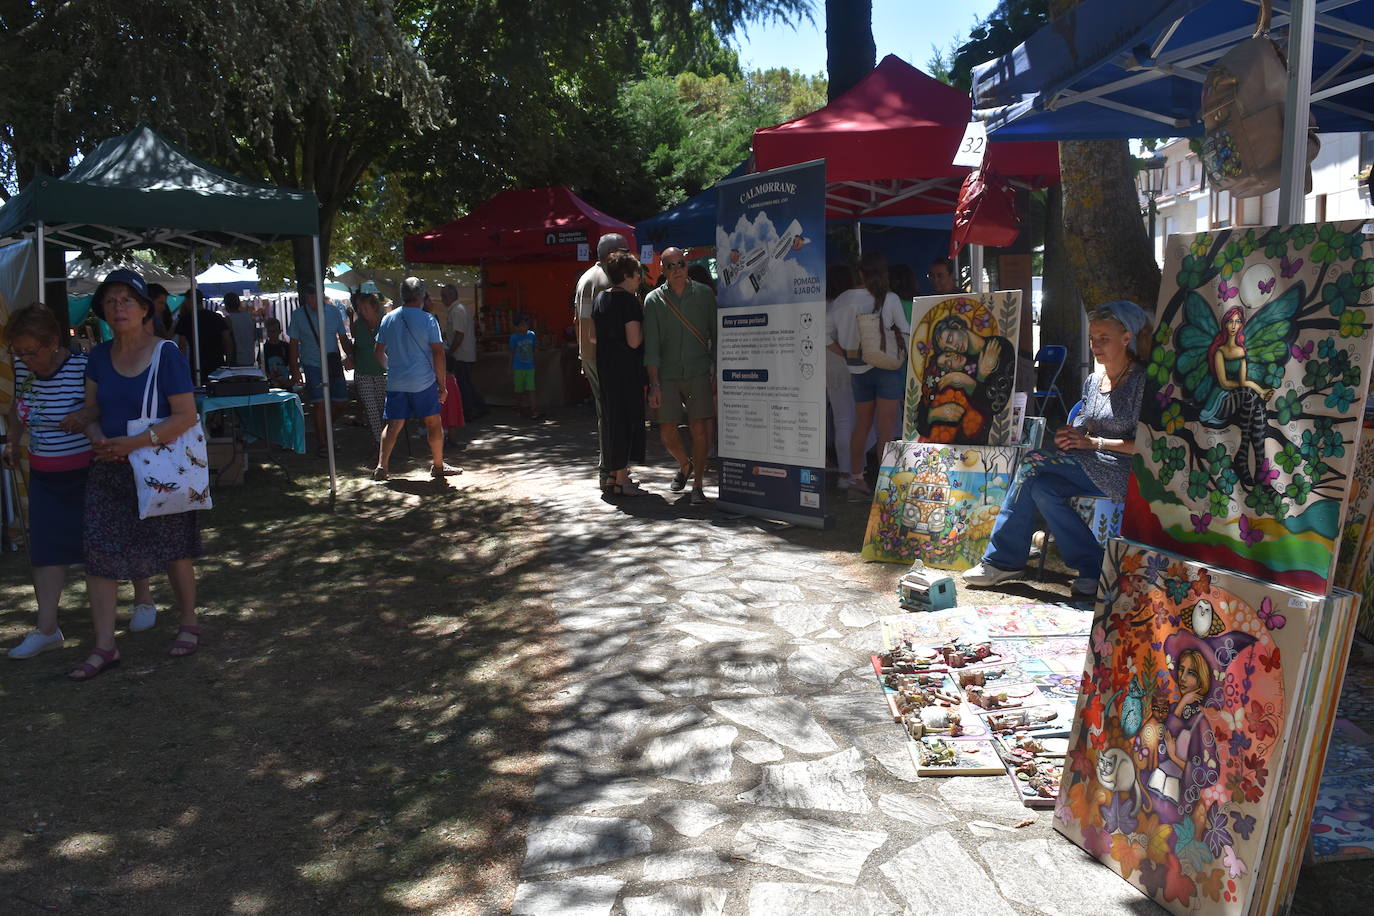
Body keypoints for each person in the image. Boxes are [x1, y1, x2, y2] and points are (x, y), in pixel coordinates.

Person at [3, 303, 160, 658]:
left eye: (33, 351)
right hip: (44, 475)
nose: (27, 358)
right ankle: (47, 628)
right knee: (46, 552)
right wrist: (12, 441)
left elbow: (109, 405)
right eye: (20, 352)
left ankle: (144, 599)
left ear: (54, 341)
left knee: (112, 540)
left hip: (89, 471)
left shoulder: (80, 366)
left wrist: (85, 415)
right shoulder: (23, 370)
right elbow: (16, 409)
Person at [964, 300, 1151, 597]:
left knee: (1032, 462)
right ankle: (1092, 567)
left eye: (1104, 338)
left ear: (1127, 338)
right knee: (1041, 488)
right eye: (1092, 338)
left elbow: (1148, 444)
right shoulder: (1093, 379)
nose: (1095, 345)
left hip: (1124, 469)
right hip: (1089, 462)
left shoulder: (1143, 382)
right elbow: (1084, 423)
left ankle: (1002, 560)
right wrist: (1072, 433)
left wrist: (1094, 442)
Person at [69, 269, 203, 680]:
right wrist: (92, 432)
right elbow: (95, 410)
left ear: (146, 309)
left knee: (175, 552)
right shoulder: (97, 356)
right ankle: (105, 646)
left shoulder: (167, 354)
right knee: (100, 557)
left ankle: (189, 622)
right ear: (103, 313)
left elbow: (186, 416)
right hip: (109, 470)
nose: (118, 307)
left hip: (157, 469)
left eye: (127, 300)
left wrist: (132, 443)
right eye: (111, 301)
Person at [828, 252, 910, 500]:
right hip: (886, 367)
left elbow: (823, 336)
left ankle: (856, 479)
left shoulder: (842, 299)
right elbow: (906, 331)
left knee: (861, 425)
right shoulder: (890, 298)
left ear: (860, 273)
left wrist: (846, 353)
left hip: (856, 370)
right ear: (884, 274)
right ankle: (886, 486)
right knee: (886, 428)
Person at [643, 247, 716, 504]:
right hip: (668, 374)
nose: (677, 270)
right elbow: (650, 346)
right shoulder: (653, 300)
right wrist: (654, 384)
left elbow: (716, 336)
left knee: (699, 427)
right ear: (662, 270)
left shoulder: (705, 294)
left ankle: (697, 484)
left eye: (681, 264)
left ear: (687, 266)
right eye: (670, 266)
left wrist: (716, 371)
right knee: (666, 433)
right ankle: (684, 464)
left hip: (698, 370)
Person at [371, 277, 461, 481]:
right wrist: (442, 384)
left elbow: (378, 352)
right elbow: (439, 354)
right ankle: (438, 465)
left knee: (393, 424)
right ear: (421, 295)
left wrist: (390, 367)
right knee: (433, 422)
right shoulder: (428, 320)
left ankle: (381, 467)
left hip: (396, 382)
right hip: (424, 382)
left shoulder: (388, 318)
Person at [575, 233, 630, 487]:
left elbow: (579, 321)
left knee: (605, 414)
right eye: (625, 251)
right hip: (607, 358)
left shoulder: (585, 278)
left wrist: (583, 354)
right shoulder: (609, 279)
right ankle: (610, 472)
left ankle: (609, 471)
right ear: (613, 253)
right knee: (612, 415)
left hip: (589, 355)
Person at [913, 312, 1015, 444]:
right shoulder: (954, 362)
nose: (954, 348)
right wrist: (935, 413)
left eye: (950, 338)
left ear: (957, 326)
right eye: (947, 349)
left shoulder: (999, 347)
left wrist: (969, 381)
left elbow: (996, 405)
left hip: (981, 444)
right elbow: (923, 407)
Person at [592, 251, 646, 496]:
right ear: (627, 275)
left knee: (612, 419)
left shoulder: (600, 299)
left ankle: (613, 477)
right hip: (626, 368)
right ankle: (622, 479)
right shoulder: (629, 301)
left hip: (606, 366)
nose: (640, 278)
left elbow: (592, 336)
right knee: (625, 420)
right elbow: (634, 341)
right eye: (637, 274)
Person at [288, 283, 353, 457]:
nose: (310, 299)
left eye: (313, 295)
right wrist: (294, 370)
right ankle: (324, 442)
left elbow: (342, 336)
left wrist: (350, 356)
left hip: (332, 362)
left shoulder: (333, 312)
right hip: (312, 364)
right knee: (319, 404)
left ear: (321, 295)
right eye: (308, 296)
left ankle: (323, 429)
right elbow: (293, 344)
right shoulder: (298, 315)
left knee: (341, 402)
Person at [444, 283, 486, 419]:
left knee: (463, 384)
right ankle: (479, 407)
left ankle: (470, 411)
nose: (443, 299)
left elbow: (459, 334)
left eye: (444, 296)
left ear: (451, 295)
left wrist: (450, 352)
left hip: (461, 354)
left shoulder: (457, 310)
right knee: (466, 383)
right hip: (464, 353)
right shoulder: (460, 309)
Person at [174, 290, 232, 384]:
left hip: (196, 365)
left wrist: (182, 368)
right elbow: (227, 340)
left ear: (189, 301)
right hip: (217, 364)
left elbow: (182, 346)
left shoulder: (186, 319)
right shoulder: (216, 317)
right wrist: (229, 362)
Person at [351, 293, 387, 443]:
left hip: (381, 372)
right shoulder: (358, 325)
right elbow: (356, 346)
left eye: (365, 308)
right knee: (372, 411)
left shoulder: (385, 323)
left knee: (381, 410)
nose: (362, 311)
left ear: (374, 307)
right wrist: (350, 358)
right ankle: (380, 447)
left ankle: (383, 443)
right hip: (363, 373)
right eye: (360, 308)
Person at [510, 314, 539, 419]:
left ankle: (533, 408)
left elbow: (535, 348)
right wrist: (510, 366)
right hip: (518, 367)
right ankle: (519, 407)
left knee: (531, 388)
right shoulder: (514, 338)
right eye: (521, 325)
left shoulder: (532, 335)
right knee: (518, 389)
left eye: (525, 325)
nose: (523, 327)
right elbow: (512, 352)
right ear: (516, 327)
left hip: (530, 367)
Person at [223, 292, 258, 366]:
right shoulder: (249, 317)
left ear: (226, 305)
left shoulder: (228, 320)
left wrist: (228, 361)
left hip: (236, 359)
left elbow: (229, 343)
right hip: (250, 357)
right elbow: (254, 336)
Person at [262, 317, 290, 387]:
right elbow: (262, 367)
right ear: (266, 333)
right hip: (271, 384)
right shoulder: (264, 348)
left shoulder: (285, 346)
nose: (273, 334)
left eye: (274, 331)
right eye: (270, 332)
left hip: (286, 382)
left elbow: (291, 364)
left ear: (280, 331)